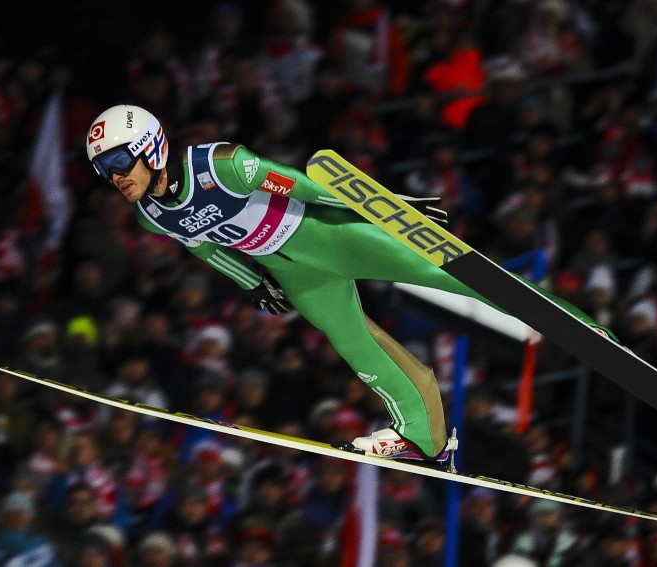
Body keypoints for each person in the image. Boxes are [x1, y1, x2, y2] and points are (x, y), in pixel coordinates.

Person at [85, 104, 616, 462]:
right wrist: (249, 281)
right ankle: (424, 438)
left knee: (459, 278)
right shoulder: (150, 216)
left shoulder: (221, 166)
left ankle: (582, 328)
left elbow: (303, 185)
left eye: (116, 160)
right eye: (102, 170)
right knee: (355, 345)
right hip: (294, 271)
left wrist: (390, 208)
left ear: (150, 146)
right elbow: (201, 245)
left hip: (330, 233)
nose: (113, 176)